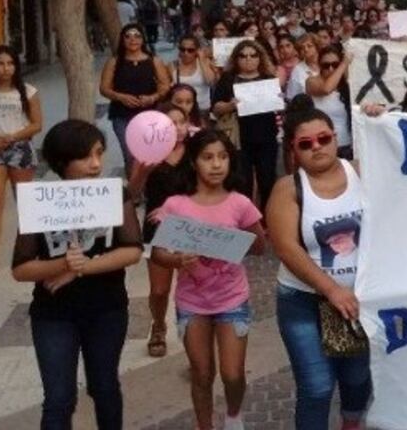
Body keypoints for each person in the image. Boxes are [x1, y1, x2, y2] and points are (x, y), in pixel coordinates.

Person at [12, 120, 143, 429]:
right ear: (62, 161)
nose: (95, 163)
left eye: (99, 153)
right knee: (59, 399)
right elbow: (21, 267)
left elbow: (132, 249)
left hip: (106, 307)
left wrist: (82, 268)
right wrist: (63, 265)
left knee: (105, 387)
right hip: (54, 312)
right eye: (85, 157)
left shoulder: (115, 194)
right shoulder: (39, 201)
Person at [151, 130, 265, 430]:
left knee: (232, 374)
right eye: (208, 157)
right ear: (193, 162)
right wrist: (177, 259)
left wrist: (233, 240)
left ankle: (233, 415)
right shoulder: (176, 205)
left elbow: (260, 246)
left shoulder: (239, 203)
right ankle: (205, 425)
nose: (216, 165)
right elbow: (159, 253)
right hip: (192, 303)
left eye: (223, 157)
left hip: (232, 299)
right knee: (201, 373)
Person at [268, 98, 370, 430]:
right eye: (306, 144)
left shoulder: (361, 171)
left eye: (324, 138)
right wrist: (331, 290)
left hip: (358, 299)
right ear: (294, 151)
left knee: (357, 379)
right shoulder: (288, 188)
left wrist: (380, 121)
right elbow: (285, 247)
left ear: (335, 136)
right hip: (303, 302)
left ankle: (351, 423)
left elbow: (404, 161)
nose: (317, 147)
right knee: (316, 387)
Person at [128, 103, 190, 358]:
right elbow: (132, 194)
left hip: (192, 226)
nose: (176, 128)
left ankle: (191, 329)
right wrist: (144, 171)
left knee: (193, 286)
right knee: (159, 289)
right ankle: (159, 325)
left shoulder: (199, 150)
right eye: (169, 123)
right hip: (158, 227)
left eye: (181, 122)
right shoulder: (147, 153)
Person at [0, 46, 43, 278]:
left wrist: (12, 137)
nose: (5, 69)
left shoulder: (28, 92)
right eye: (0, 64)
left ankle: (30, 252)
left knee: (24, 204)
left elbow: (37, 124)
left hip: (20, 148)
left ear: (16, 66)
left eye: (10, 63)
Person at [212, 39, 281, 210]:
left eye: (253, 55)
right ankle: (246, 218)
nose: (248, 59)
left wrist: (279, 101)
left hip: (266, 137)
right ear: (236, 59)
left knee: (267, 181)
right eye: (243, 56)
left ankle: (267, 218)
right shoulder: (228, 79)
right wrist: (230, 105)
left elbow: (278, 106)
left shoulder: (269, 78)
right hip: (239, 139)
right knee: (243, 183)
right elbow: (216, 107)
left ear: (260, 57)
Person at [99, 23, 171, 175]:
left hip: (149, 116)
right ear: (122, 40)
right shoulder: (114, 61)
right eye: (128, 36)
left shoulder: (154, 60)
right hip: (122, 116)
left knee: (149, 154)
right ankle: (134, 193)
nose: (133, 39)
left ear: (143, 39)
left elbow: (165, 85)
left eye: (137, 35)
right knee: (130, 154)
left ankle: (148, 188)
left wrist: (153, 97)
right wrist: (119, 96)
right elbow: (104, 88)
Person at [303, 45, 354, 160]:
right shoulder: (311, 81)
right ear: (319, 66)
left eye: (335, 65)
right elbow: (326, 89)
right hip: (321, 145)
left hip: (345, 144)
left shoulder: (347, 85)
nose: (331, 69)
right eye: (326, 66)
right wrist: (343, 64)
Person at [171, 34, 217, 115]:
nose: (186, 53)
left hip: (202, 109)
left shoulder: (205, 63)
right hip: (181, 110)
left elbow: (210, 82)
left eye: (190, 50)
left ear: (197, 51)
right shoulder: (173, 65)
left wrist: (202, 59)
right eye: (182, 49)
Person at [286, 35, 320, 100]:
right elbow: (292, 97)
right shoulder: (297, 70)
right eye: (302, 48)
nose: (306, 49)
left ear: (317, 47)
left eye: (309, 46)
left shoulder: (327, 63)